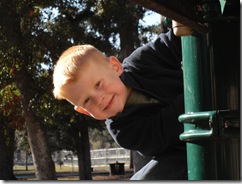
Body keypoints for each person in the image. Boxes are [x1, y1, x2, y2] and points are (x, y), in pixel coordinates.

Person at [52, 28, 187, 180]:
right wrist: (199, 92)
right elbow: (169, 126)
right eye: (87, 100)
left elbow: (176, 40)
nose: (98, 98)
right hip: (185, 148)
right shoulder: (123, 131)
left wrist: (182, 26)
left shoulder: (142, 62)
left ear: (115, 67)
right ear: (84, 111)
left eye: (98, 84)